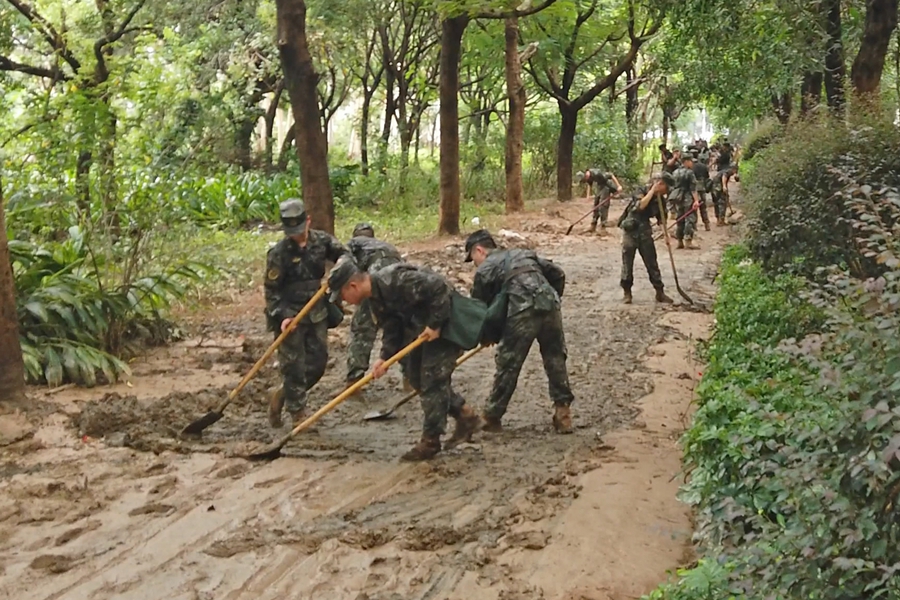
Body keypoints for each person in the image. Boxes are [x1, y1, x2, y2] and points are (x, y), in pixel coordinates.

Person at [328, 257, 480, 461]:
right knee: (415, 376)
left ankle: (431, 441)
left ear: (353, 286)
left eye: (343, 295)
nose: (344, 301)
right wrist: (384, 358)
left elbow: (439, 288)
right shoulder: (375, 298)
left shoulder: (396, 280)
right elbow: (392, 326)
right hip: (420, 328)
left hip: (446, 323)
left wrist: (435, 324)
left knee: (432, 380)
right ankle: (465, 415)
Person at [464, 229, 575, 434]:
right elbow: (558, 274)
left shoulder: (484, 269)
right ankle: (563, 414)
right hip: (549, 305)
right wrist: (553, 300)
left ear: (478, 250)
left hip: (522, 311)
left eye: (472, 258)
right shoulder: (523, 253)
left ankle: (492, 416)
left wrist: (486, 336)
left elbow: (479, 310)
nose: (474, 264)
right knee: (555, 358)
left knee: (509, 362)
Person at [264, 199, 347, 428]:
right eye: (292, 232)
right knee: (293, 365)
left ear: (308, 221)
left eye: (300, 230)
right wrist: (282, 316)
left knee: (318, 363)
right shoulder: (278, 254)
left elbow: (346, 256)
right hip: (290, 314)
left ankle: (282, 394)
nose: (297, 235)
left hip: (316, 309)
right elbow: (271, 291)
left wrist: (338, 271)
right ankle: (297, 411)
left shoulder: (322, 241)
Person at [344, 222, 404, 388]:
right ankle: (409, 378)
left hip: (375, 280)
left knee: (362, 329)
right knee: (401, 323)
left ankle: (353, 381)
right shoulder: (386, 246)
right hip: (397, 280)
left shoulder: (354, 246)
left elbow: (347, 273)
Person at [617, 174, 675, 305]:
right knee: (627, 262)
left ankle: (659, 292)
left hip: (645, 232)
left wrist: (666, 234)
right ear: (660, 184)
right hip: (630, 230)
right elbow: (640, 206)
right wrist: (652, 191)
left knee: (652, 262)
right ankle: (627, 292)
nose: (666, 192)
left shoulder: (661, 200)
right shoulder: (641, 190)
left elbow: (662, 219)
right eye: (666, 188)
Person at [670, 154, 702, 249]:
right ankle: (688, 240)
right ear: (686, 162)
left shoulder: (675, 172)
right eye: (691, 161)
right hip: (688, 198)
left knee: (680, 219)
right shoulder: (689, 173)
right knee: (690, 218)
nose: (692, 163)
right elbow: (693, 188)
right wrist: (696, 201)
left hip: (678, 198)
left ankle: (679, 241)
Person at [691, 151, 712, 231]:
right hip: (702, 187)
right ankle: (707, 224)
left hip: (694, 189)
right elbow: (707, 177)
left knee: (694, 207)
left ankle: (694, 226)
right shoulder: (703, 166)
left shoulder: (690, 167)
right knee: (703, 207)